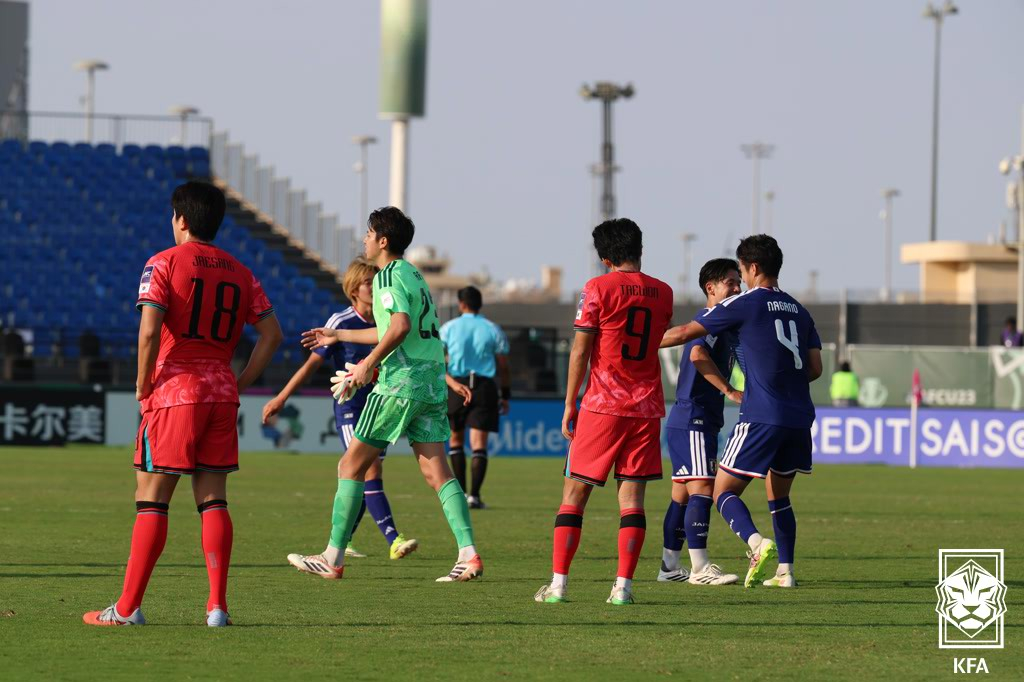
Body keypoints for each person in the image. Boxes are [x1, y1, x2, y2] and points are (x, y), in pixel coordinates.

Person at [83, 181, 283, 627]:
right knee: (213, 500)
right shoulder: (241, 271)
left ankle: (128, 608)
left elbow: (150, 332)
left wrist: (142, 384)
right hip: (220, 393)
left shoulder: (162, 263)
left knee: (152, 498)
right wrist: (241, 380)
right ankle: (217, 608)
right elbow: (272, 335)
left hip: (175, 392)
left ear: (181, 220)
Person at [287, 206, 483, 583]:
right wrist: (339, 335)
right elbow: (395, 328)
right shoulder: (413, 275)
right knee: (436, 471)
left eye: (368, 233)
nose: (364, 239)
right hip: (429, 381)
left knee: (350, 465)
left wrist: (366, 365)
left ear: (383, 240)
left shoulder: (387, 278)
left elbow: (398, 326)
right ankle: (468, 554)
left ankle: (331, 557)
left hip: (401, 383)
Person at [660, 234, 822, 589]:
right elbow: (814, 369)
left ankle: (755, 543)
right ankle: (786, 572)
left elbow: (687, 333)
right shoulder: (801, 310)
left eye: (741, 274)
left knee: (722, 491)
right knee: (779, 496)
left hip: (763, 413)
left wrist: (634, 340)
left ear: (752, 267)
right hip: (799, 416)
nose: (740, 282)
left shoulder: (746, 304)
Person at [534, 218, 673, 606]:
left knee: (574, 494)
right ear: (640, 249)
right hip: (646, 407)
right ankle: (622, 589)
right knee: (632, 501)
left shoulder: (597, 288)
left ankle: (559, 586)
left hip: (602, 404)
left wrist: (568, 403)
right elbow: (658, 338)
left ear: (605, 257)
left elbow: (580, 349)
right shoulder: (664, 292)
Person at [262, 258, 418, 561]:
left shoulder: (387, 320)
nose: (373, 288)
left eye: (376, 282)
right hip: (350, 408)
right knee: (368, 468)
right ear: (353, 288)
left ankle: (342, 541)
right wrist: (281, 398)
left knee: (360, 474)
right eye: (367, 283)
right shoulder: (341, 322)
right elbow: (310, 366)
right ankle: (393, 539)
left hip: (381, 407)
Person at [659, 258, 742, 587]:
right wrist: (729, 389)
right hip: (693, 415)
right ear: (711, 288)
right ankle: (700, 567)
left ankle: (669, 566)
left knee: (681, 494)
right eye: (731, 282)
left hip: (693, 417)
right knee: (703, 488)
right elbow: (696, 354)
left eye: (739, 282)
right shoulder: (709, 319)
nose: (737, 288)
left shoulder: (720, 321)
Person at [440, 285, 511, 509]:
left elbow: (437, 358)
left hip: (456, 385)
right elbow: (503, 364)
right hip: (484, 387)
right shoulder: (492, 329)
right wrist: (505, 394)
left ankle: (460, 495)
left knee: (455, 440)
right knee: (479, 444)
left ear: (462, 304)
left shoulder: (449, 327)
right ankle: (475, 496)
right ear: (479, 304)